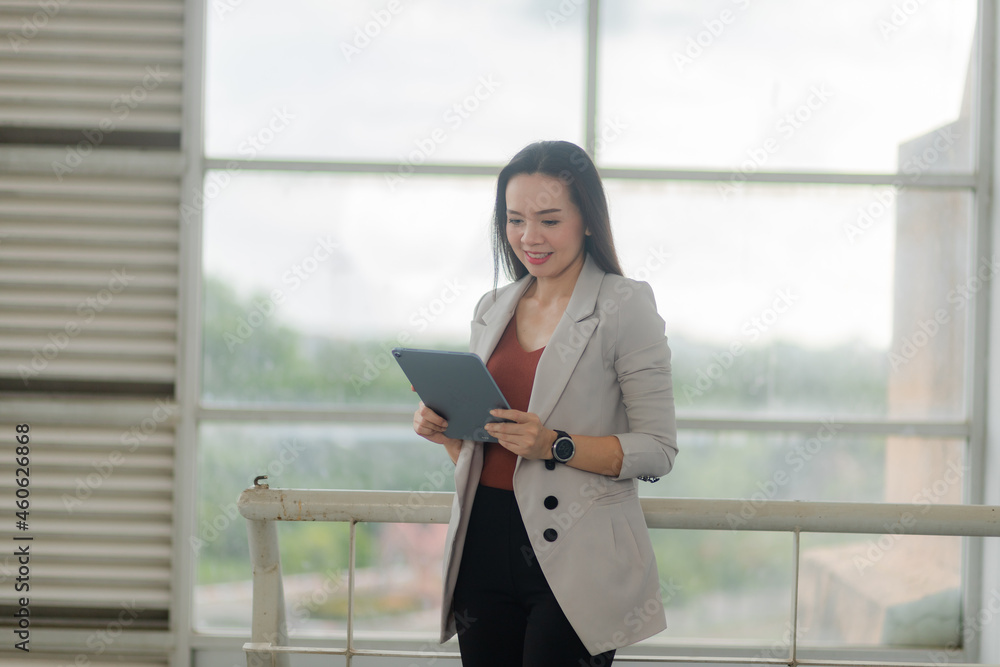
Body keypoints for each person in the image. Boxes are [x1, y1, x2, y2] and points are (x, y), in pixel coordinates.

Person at [412, 140, 677, 666]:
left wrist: (553, 444)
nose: (529, 238)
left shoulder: (624, 304)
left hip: (578, 552)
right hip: (483, 541)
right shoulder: (492, 308)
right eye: (515, 220)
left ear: (588, 222)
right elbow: (486, 453)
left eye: (549, 219)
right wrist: (449, 435)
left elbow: (657, 450)